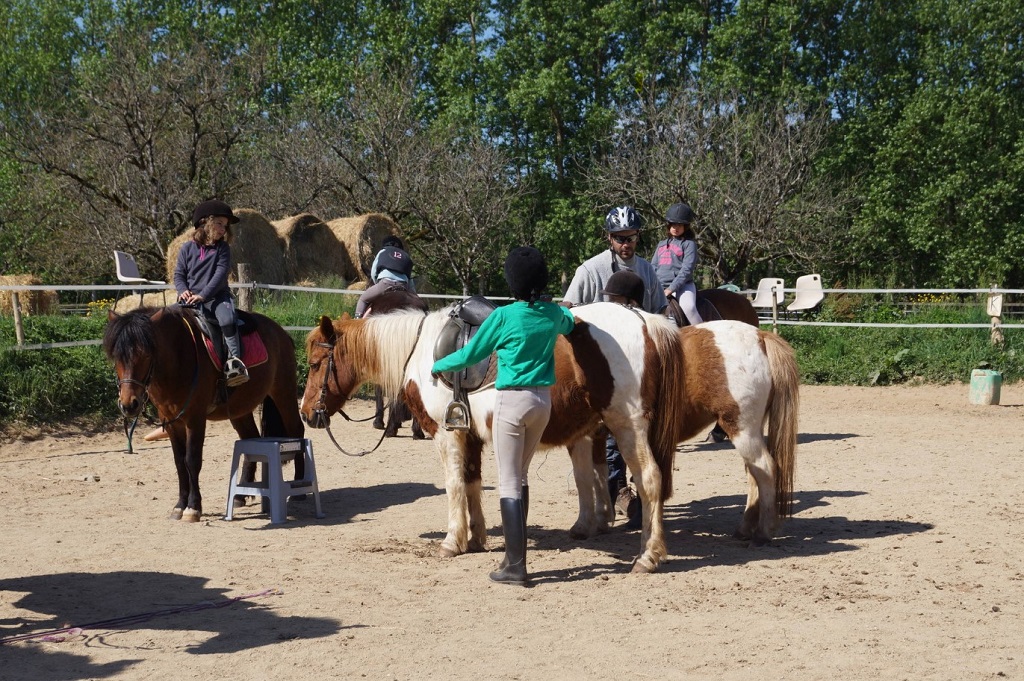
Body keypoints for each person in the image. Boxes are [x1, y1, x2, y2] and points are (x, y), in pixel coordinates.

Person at [432, 246, 575, 586]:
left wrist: (439, 364)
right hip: (543, 404)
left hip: (511, 403)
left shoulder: (503, 317)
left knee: (509, 482)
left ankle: (516, 566)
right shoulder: (552, 313)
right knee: (521, 477)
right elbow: (570, 323)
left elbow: (472, 353)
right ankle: (513, 556)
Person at [563, 206, 667, 530]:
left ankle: (638, 492)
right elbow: (566, 311)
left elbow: (662, 314)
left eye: (631, 237)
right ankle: (615, 490)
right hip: (596, 370)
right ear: (609, 238)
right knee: (606, 436)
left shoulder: (648, 272)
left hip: (637, 364)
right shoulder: (589, 270)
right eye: (621, 238)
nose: (626, 243)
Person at [173, 199, 248, 387]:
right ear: (205, 222)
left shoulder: (222, 249)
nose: (223, 229)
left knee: (227, 320)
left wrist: (203, 295)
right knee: (167, 319)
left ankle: (234, 362)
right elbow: (179, 274)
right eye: (219, 224)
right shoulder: (186, 248)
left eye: (226, 226)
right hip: (190, 299)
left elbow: (220, 274)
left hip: (216, 297)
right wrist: (183, 291)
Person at [653, 202, 703, 326]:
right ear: (669, 225)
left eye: (680, 225)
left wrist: (671, 288)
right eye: (673, 224)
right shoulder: (661, 244)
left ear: (686, 226)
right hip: (660, 285)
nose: (676, 227)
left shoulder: (689, 244)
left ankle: (703, 333)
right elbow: (653, 266)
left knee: (689, 308)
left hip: (683, 286)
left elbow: (686, 270)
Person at [355, 240, 416, 319]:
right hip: (403, 285)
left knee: (363, 299)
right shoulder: (406, 256)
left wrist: (377, 283)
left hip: (385, 284)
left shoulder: (383, 251)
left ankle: (357, 320)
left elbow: (373, 272)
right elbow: (410, 279)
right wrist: (414, 295)